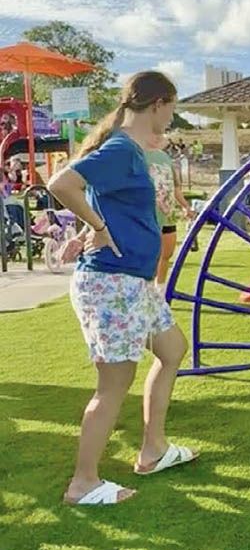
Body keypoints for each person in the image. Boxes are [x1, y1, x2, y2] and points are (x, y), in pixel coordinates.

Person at [47, 71, 197, 506]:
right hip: (111, 283)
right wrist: (97, 228)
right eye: (171, 108)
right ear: (158, 104)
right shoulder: (122, 149)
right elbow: (62, 185)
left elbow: (104, 202)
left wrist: (90, 228)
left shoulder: (128, 150)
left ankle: (153, 450)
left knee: (172, 349)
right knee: (114, 383)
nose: (171, 118)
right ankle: (83, 483)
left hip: (134, 280)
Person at [146, 134, 195, 287]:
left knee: (167, 253)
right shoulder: (138, 156)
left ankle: (160, 287)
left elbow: (175, 188)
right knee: (150, 253)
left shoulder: (165, 158)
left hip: (167, 214)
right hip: (148, 214)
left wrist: (185, 206)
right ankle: (148, 286)